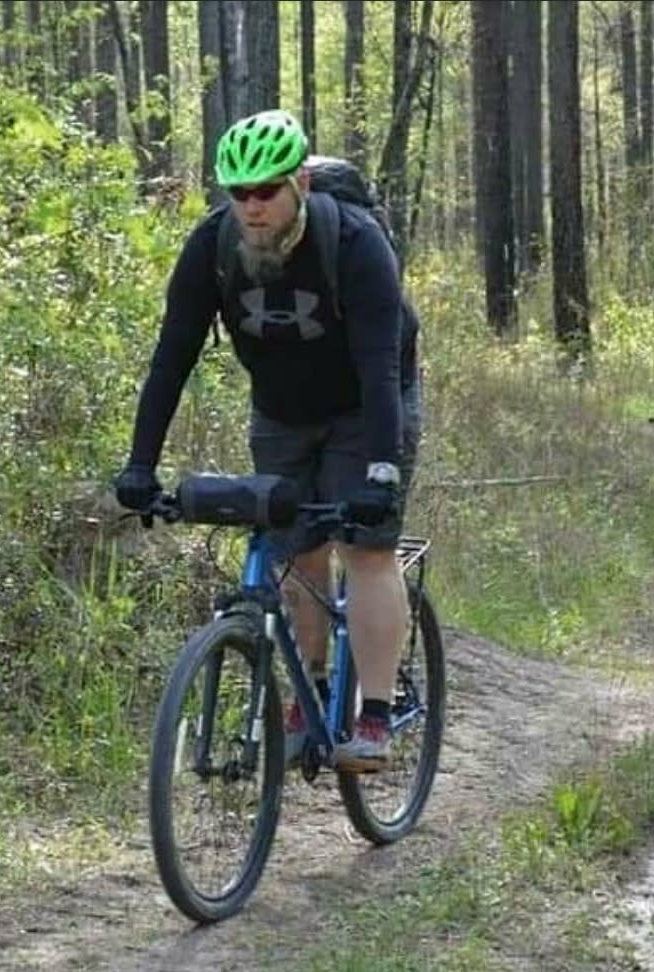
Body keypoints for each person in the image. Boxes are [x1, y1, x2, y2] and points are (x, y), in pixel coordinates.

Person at [113, 109, 422, 773]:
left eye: (267, 191)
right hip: (281, 411)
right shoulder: (212, 249)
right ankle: (307, 693)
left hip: (367, 404)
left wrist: (381, 474)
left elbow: (379, 365)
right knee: (294, 548)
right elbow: (172, 359)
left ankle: (374, 712)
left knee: (364, 548)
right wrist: (140, 464)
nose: (252, 207)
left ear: (300, 183)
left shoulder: (357, 244)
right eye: (239, 193)